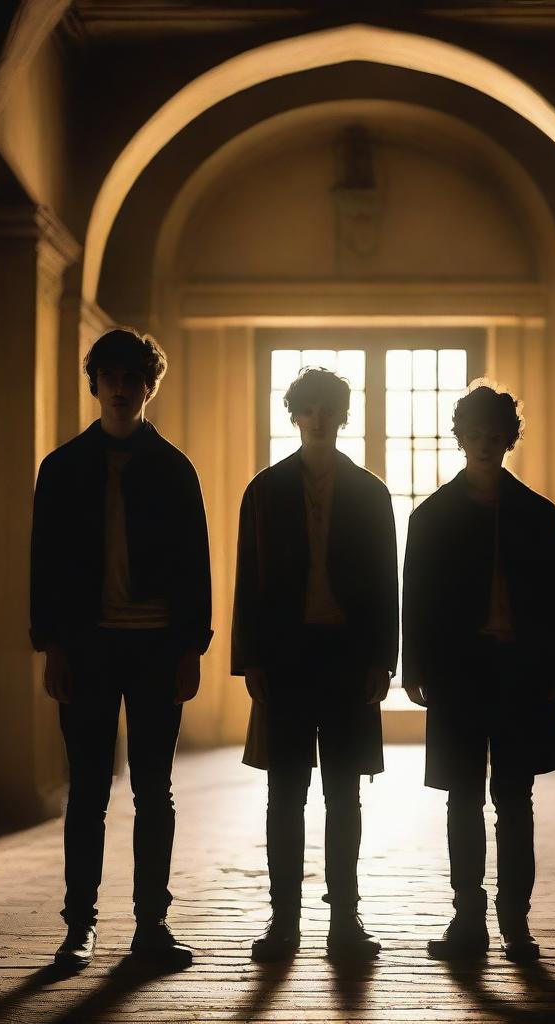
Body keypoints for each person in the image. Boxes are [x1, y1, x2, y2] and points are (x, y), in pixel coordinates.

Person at [30, 328, 212, 971]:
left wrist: (193, 646)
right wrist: (51, 644)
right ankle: (79, 928)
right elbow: (43, 566)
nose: (121, 388)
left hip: (158, 647)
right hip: (87, 647)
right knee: (87, 791)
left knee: (154, 791)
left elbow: (196, 566)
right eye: (110, 376)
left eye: (133, 378)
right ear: (95, 383)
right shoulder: (61, 470)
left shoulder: (173, 469)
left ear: (147, 386)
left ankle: (149, 928)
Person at [402, 384, 555, 963]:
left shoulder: (538, 514)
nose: (483, 443)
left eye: (492, 434)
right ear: (461, 438)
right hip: (459, 671)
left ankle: (514, 921)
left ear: (507, 438)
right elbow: (417, 600)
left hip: (520, 671)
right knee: (463, 799)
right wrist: (416, 668)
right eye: (474, 434)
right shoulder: (432, 516)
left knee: (515, 799)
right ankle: (469, 917)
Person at [232, 367, 398, 962]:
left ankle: (344, 919)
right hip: (286, 658)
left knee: (344, 794)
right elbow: (247, 580)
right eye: (310, 408)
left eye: (328, 408)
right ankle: (285, 922)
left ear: (341, 414)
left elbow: (386, 583)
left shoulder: (370, 492)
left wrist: (384, 658)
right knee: (286, 793)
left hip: (349, 658)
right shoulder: (266, 490)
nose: (319, 417)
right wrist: (249, 657)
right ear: (296, 414)